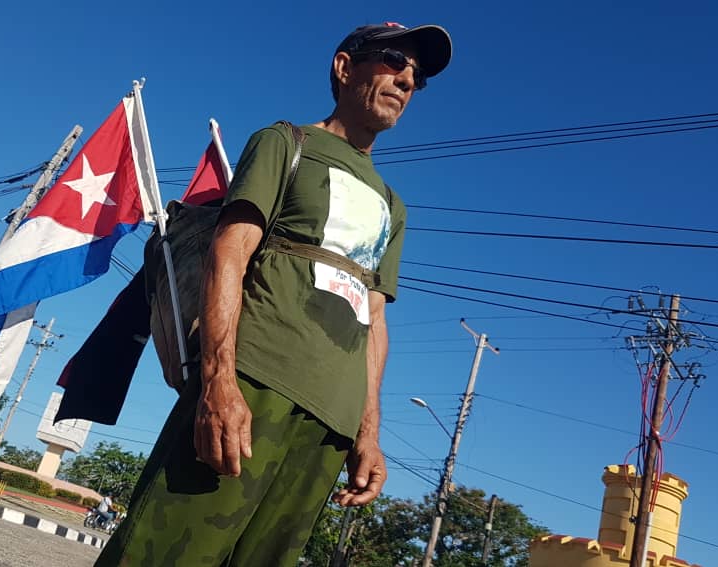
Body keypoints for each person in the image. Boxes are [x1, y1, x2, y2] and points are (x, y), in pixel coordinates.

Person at [95, 21, 452, 566]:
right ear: (344, 67)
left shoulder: (392, 205)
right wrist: (218, 380)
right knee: (162, 555)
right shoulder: (286, 143)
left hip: (331, 422)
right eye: (393, 61)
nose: (407, 79)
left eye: (416, 76)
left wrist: (368, 430)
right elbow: (228, 253)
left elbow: (375, 318)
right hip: (255, 385)